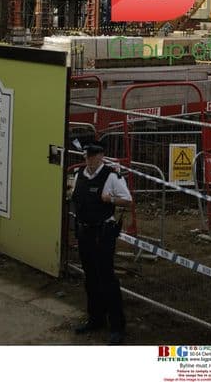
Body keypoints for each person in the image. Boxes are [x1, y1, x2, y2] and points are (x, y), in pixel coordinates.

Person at [71, 142, 132, 345]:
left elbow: (128, 200)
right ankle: (95, 318)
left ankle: (117, 327)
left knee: (107, 279)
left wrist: (110, 200)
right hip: (84, 232)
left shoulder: (111, 176)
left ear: (101, 156)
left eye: (93, 155)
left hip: (102, 233)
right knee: (90, 278)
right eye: (87, 155)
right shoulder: (80, 175)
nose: (89, 159)